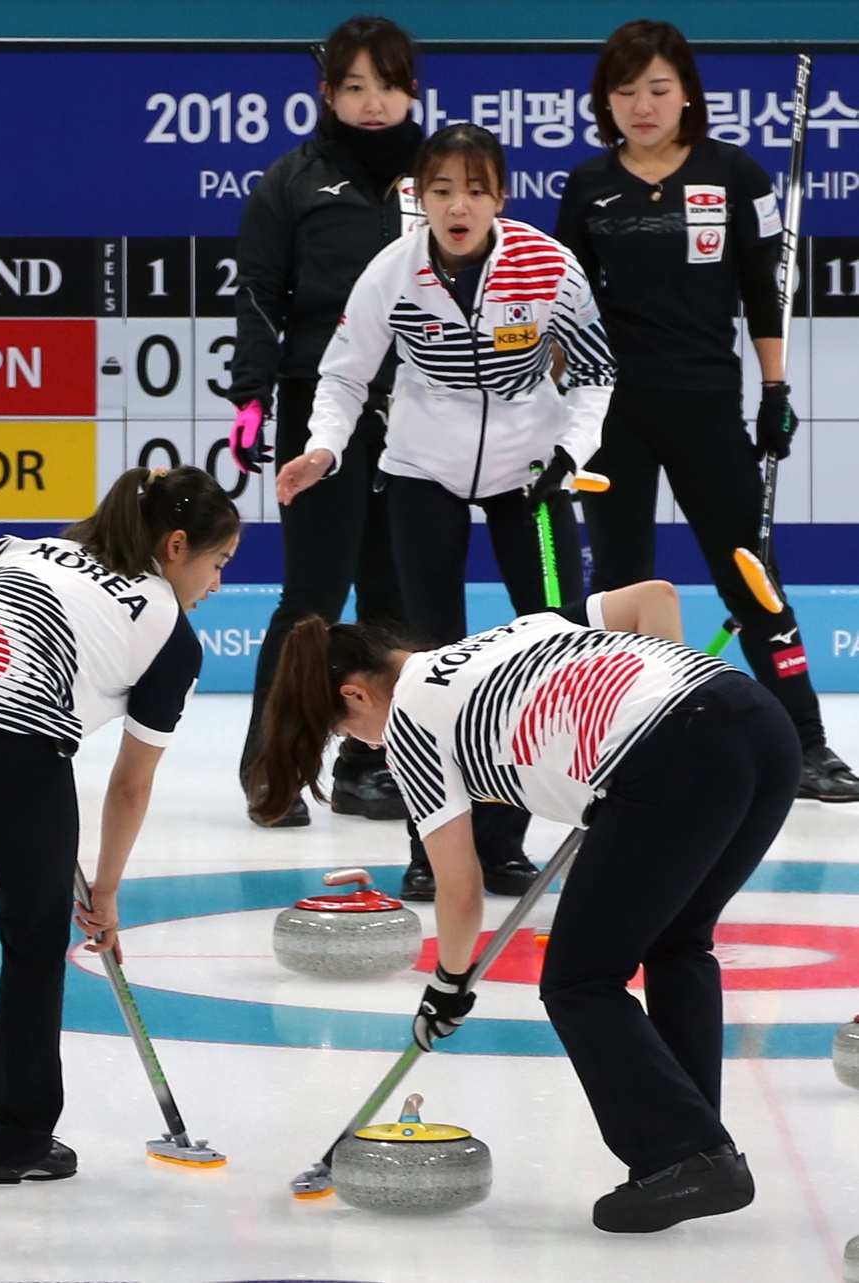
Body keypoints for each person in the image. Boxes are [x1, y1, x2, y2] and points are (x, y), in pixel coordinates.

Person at [249, 580, 802, 1232]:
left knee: (577, 979)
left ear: (356, 694)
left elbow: (458, 887)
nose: (368, 744)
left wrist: (448, 986)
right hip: (761, 723)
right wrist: (663, 702)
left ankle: (688, 1154)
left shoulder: (410, 724)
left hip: (678, 754)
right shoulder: (510, 633)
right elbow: (655, 597)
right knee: (677, 940)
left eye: (351, 731)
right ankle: (690, 1136)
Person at [276, 122, 616, 899]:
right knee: (426, 670)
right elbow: (343, 375)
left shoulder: (548, 265)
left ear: (501, 194)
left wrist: (571, 455)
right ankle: (433, 847)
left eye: (475, 188)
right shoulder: (392, 271)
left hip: (531, 474)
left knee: (556, 649)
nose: (458, 205)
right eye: (440, 189)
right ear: (416, 196)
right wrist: (324, 447)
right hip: (423, 470)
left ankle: (503, 841)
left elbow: (595, 373)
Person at [0, 465, 240, 1202]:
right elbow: (130, 782)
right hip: (20, 751)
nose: (215, 583)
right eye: (218, 563)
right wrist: (105, 890)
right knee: (36, 940)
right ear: (177, 545)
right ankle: (14, 1138)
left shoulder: (28, 547)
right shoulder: (170, 634)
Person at [554, 17, 859, 801]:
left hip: (706, 404)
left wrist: (777, 389)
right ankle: (613, 745)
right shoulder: (589, 186)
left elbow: (766, 291)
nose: (643, 106)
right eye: (625, 93)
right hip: (613, 414)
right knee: (620, 583)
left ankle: (808, 743)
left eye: (658, 89)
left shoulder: (736, 176)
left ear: (686, 91)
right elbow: (565, 304)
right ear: (605, 103)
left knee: (752, 577)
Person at [228, 14, 424, 828]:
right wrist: (251, 399)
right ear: (327, 94)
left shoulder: (437, 176)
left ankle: (372, 763)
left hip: (423, 411)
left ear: (411, 90)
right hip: (321, 412)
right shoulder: (291, 182)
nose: (372, 103)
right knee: (312, 594)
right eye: (354, 87)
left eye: (387, 84)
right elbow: (259, 300)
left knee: (395, 596)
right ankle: (270, 764)